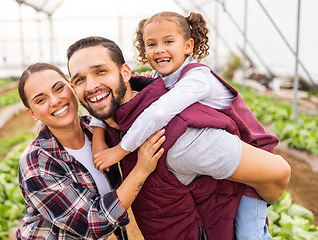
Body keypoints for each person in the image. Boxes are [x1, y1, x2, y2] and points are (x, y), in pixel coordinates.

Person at [66, 36, 291, 239]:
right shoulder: (114, 124)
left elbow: (279, 173)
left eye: (100, 71)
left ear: (125, 73)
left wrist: (253, 213)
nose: (91, 86)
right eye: (79, 80)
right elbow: (98, 103)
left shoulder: (179, 138)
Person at [15, 62, 166, 239]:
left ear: (72, 87)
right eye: (41, 100)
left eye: (58, 88)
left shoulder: (95, 129)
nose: (55, 101)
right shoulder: (36, 162)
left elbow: (130, 106)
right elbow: (93, 222)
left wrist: (145, 82)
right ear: (32, 113)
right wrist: (141, 170)